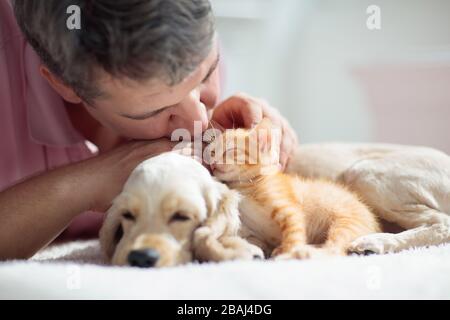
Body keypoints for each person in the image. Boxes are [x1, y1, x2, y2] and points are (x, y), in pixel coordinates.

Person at [0, 0, 298, 260]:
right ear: (64, 85)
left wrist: (249, 155)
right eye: (156, 111)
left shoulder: (182, 40)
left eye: (206, 75)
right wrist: (89, 182)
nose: (198, 118)